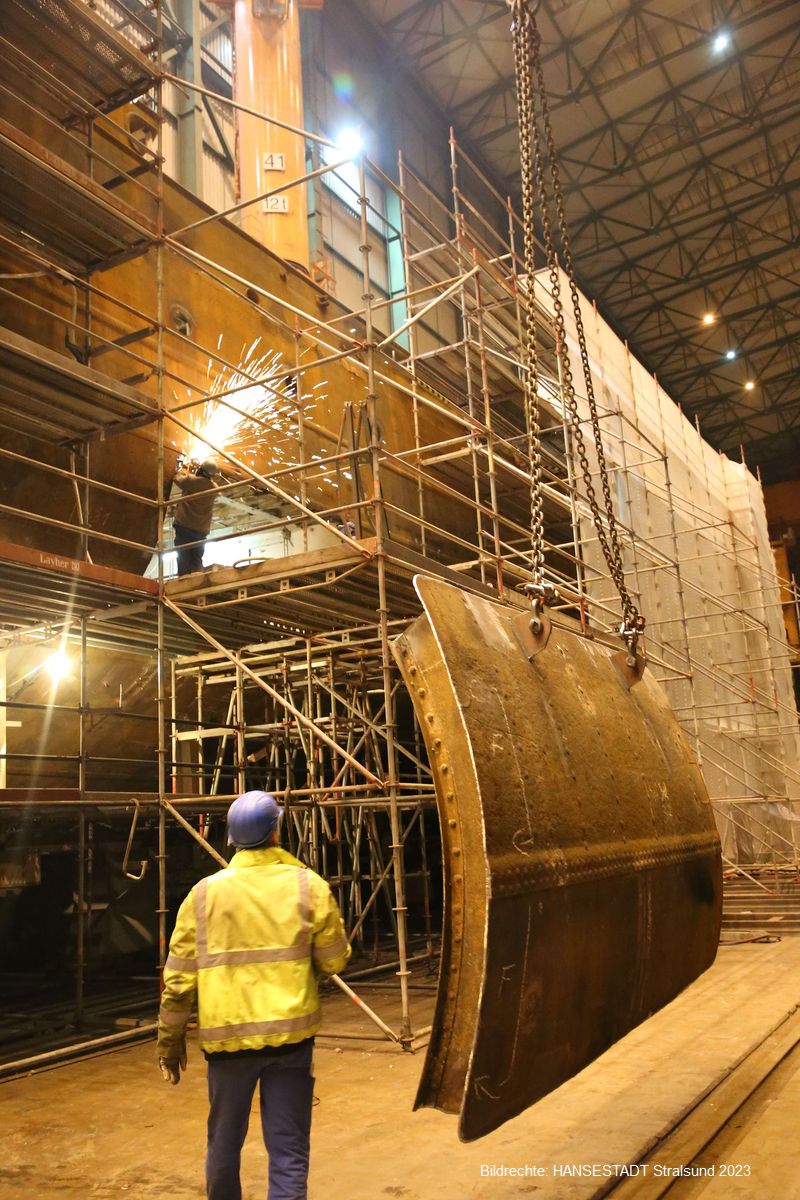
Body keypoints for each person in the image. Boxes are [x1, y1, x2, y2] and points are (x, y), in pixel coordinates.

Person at [156, 791, 351, 1200]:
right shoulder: (308, 886)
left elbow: (177, 982)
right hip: (291, 1041)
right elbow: (335, 961)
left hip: (227, 1045)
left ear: (232, 838)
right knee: (288, 1147)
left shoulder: (203, 895)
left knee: (223, 1144)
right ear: (276, 831)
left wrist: (169, 1043)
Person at [172, 459, 217, 576]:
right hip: (201, 530)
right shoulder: (214, 488)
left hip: (185, 526)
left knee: (183, 557)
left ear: (201, 469)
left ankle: (183, 581)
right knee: (197, 558)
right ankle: (197, 580)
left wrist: (185, 469)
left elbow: (177, 478)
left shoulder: (192, 481)